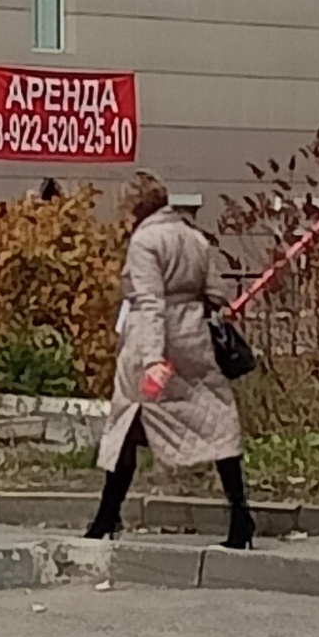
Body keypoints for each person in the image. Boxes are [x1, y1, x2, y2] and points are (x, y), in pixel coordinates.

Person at [86, 174, 256, 549]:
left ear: (135, 207)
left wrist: (151, 359)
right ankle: (240, 516)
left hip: (154, 341)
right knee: (215, 420)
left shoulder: (145, 241)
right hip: (194, 337)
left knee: (126, 422)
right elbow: (216, 292)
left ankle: (105, 518)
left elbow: (149, 303)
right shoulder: (194, 237)